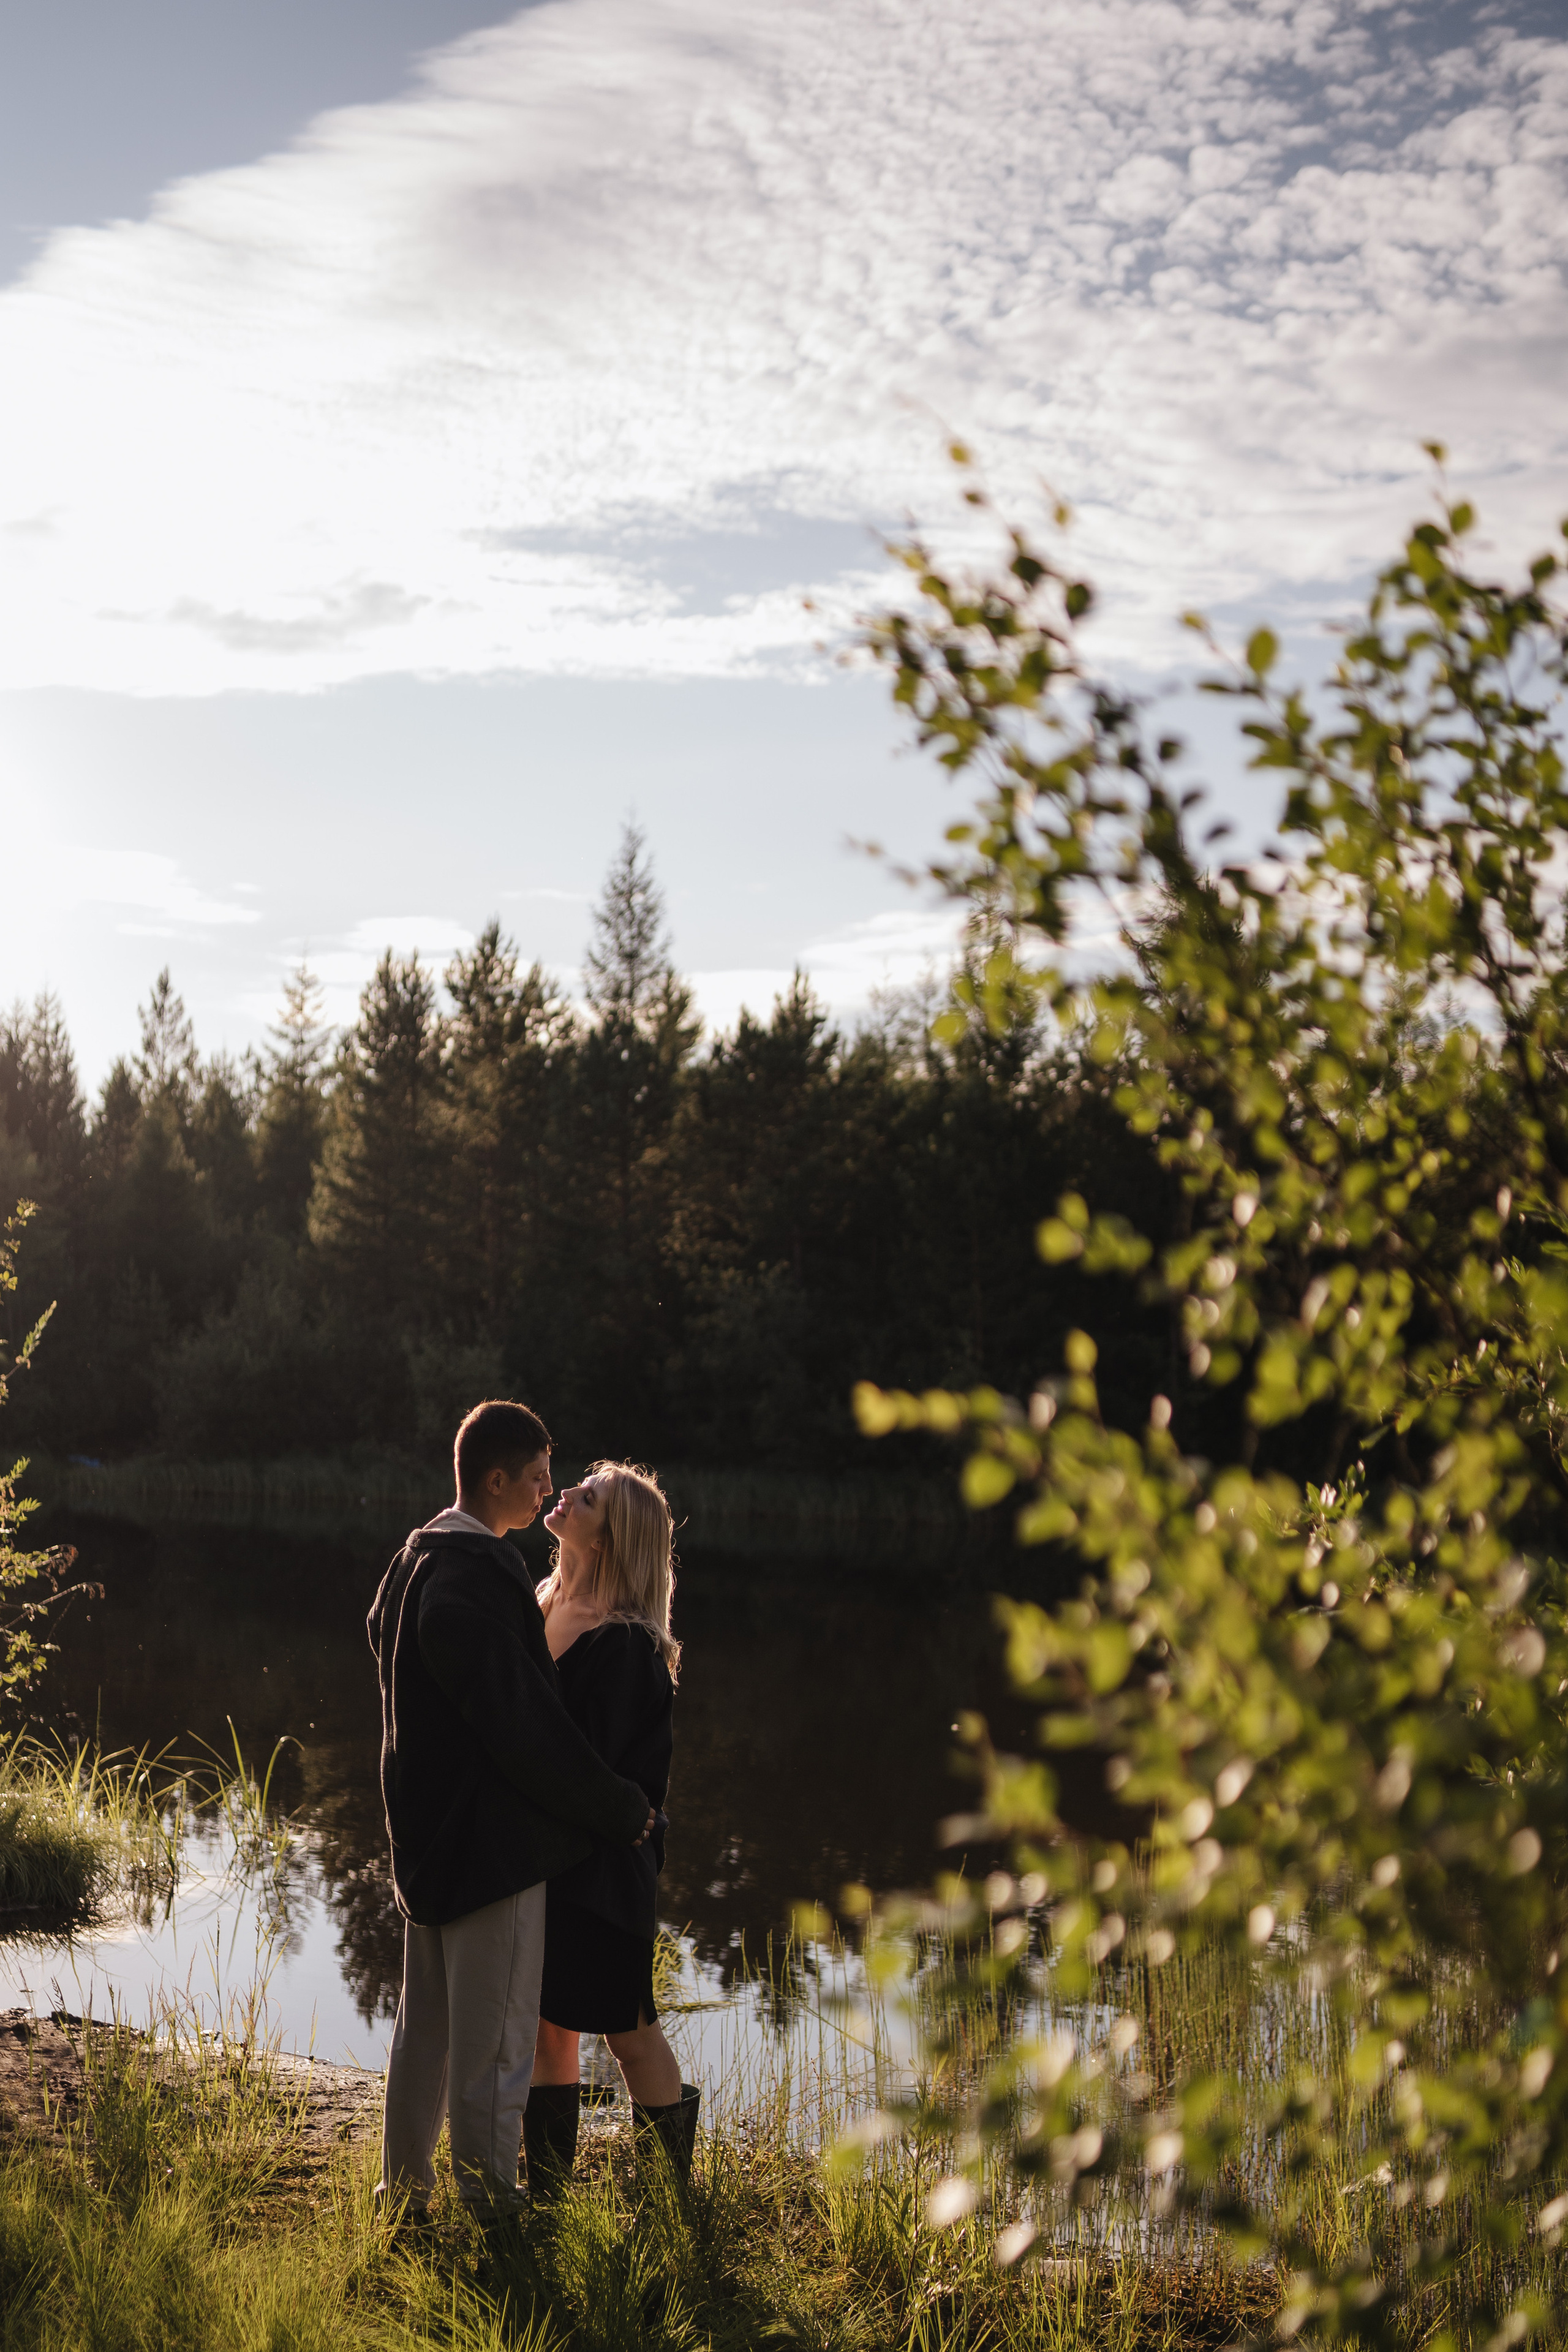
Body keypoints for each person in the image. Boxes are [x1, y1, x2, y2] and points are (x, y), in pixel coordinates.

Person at [368, 1400, 654, 2222]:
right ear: (496, 1480)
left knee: (423, 2035)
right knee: (494, 2046)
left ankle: (405, 2196)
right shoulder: (472, 1580)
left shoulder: (414, 1561)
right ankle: (492, 2206)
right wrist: (615, 1806)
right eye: (535, 1478)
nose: (546, 1491)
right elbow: (525, 1728)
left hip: (426, 1844)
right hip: (488, 1852)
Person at [520, 1460, 697, 2197]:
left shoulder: (624, 1645)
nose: (564, 1494)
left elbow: (589, 1773)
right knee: (547, 2025)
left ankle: (663, 2201)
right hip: (542, 1861)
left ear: (612, 1536)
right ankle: (550, 2197)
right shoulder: (538, 1604)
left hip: (604, 1868)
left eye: (586, 1498)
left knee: (627, 2029)